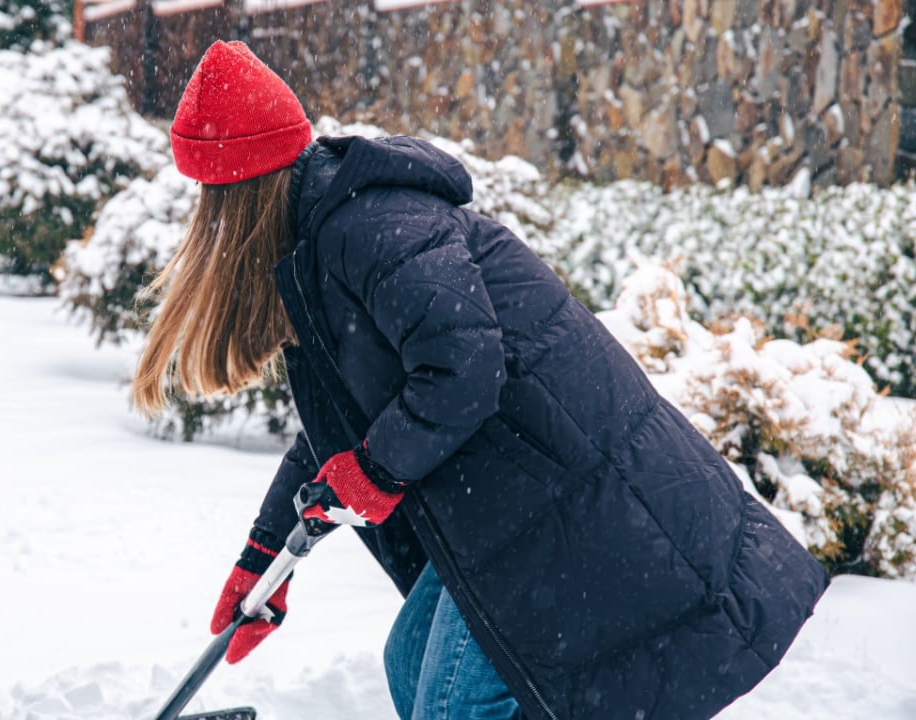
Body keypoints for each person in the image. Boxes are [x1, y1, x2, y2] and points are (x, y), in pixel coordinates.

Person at [132, 40, 829, 720]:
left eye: (208, 198)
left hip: (571, 504)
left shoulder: (371, 227)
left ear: (237, 193)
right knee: (411, 664)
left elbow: (463, 368)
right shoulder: (320, 242)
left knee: (454, 703)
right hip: (513, 504)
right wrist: (264, 553)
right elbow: (338, 432)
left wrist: (375, 471)